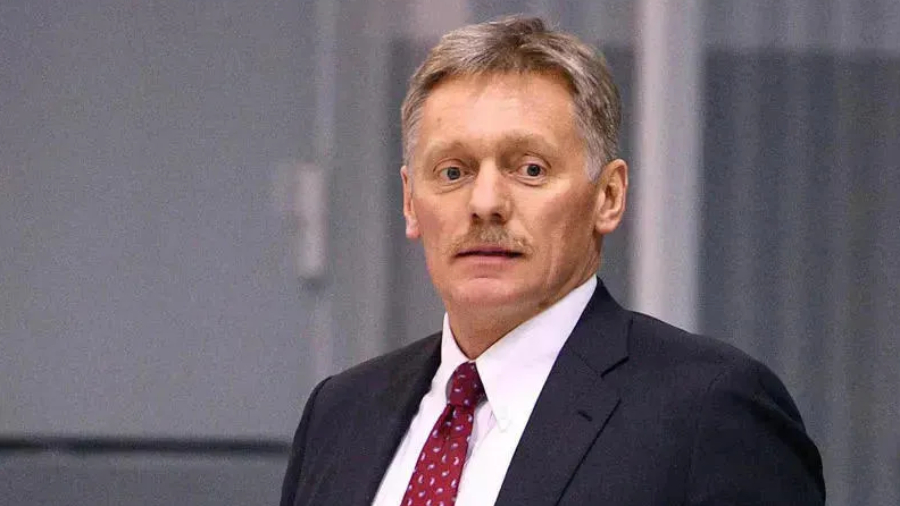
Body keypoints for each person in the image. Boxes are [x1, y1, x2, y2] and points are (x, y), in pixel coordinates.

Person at [280, 15, 825, 506]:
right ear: (409, 201)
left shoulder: (709, 411)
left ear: (608, 196)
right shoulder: (340, 414)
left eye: (530, 169)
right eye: (453, 172)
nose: (485, 202)